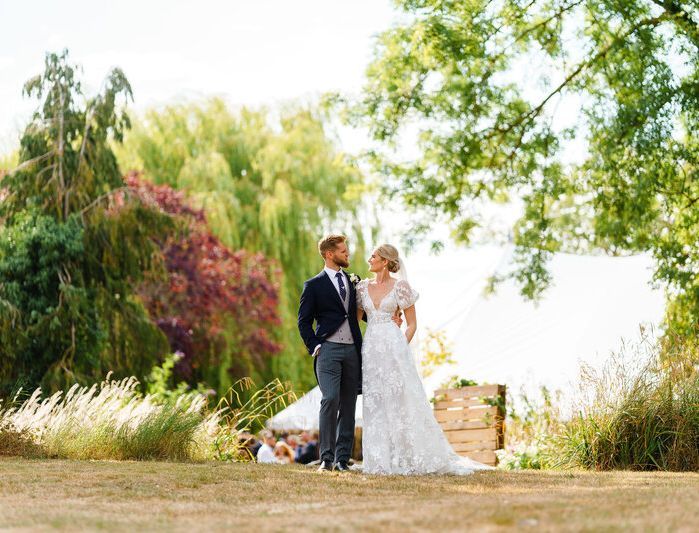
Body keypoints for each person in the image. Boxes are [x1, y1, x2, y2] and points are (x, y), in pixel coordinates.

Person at [355, 244, 493, 475]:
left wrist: (401, 346)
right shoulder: (361, 288)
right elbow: (356, 320)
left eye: (374, 256)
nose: (369, 259)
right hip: (371, 350)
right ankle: (379, 460)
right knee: (375, 402)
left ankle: (408, 456)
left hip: (395, 348)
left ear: (385, 261)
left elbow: (412, 324)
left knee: (401, 400)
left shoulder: (400, 287)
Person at [298, 235, 401, 472]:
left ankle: (342, 460)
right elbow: (303, 321)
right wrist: (315, 345)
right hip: (327, 350)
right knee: (330, 398)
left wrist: (389, 319)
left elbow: (365, 311)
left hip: (353, 350)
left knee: (348, 403)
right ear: (329, 254)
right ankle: (326, 458)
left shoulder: (354, 281)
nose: (348, 255)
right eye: (343, 252)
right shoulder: (313, 285)